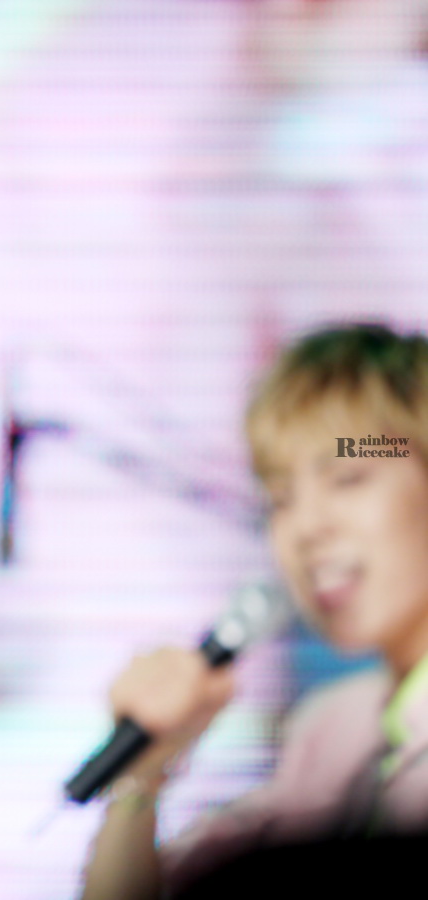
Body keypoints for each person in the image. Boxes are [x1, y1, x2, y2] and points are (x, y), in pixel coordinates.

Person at [80, 323, 428, 899]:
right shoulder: (330, 730)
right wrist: (143, 779)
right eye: (279, 499)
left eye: (348, 477)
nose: (305, 527)